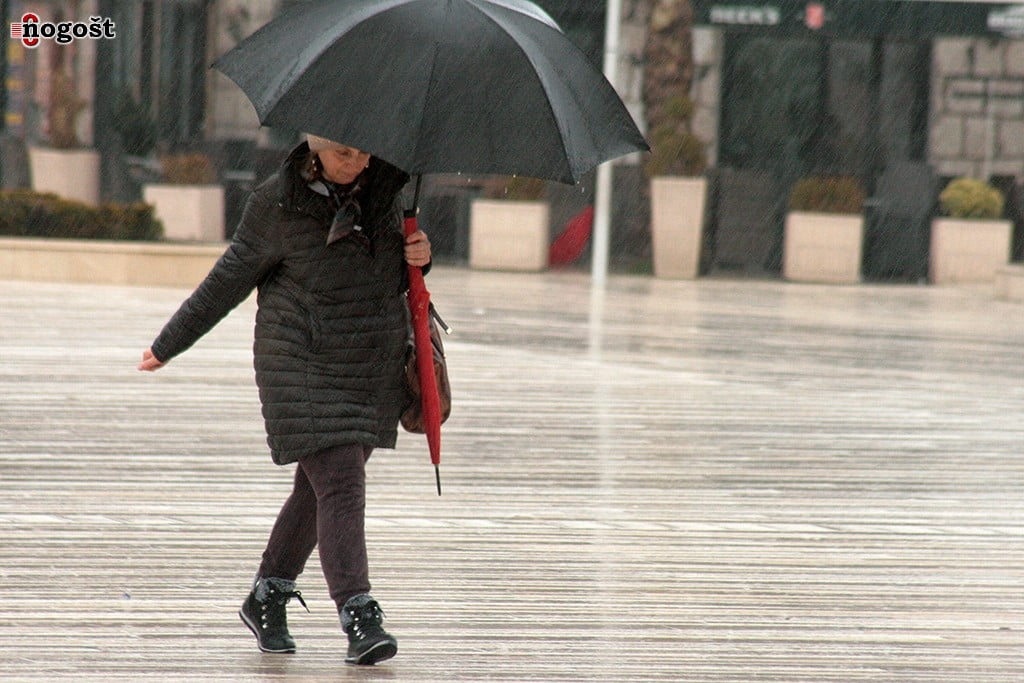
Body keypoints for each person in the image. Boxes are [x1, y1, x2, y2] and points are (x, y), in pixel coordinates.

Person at [138, 134, 431, 666]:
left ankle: (267, 594)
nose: (357, 162)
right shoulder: (278, 203)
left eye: (364, 152)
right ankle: (359, 614)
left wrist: (418, 257)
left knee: (317, 492)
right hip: (299, 361)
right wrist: (168, 344)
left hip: (366, 364)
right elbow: (228, 279)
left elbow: (387, 278)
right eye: (344, 153)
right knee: (340, 482)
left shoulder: (388, 194)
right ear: (316, 148)